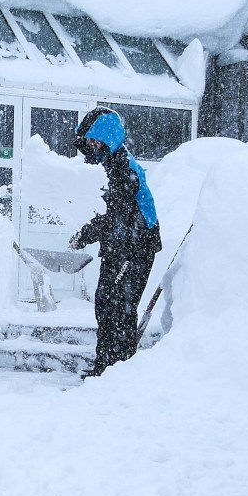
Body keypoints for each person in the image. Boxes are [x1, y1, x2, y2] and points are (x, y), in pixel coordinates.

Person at [68, 107, 162, 377]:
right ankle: (106, 368)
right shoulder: (109, 163)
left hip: (135, 248)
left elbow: (116, 214)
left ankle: (117, 371)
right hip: (119, 246)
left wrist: (84, 234)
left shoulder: (123, 166)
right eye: (87, 142)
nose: (90, 146)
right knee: (106, 304)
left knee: (120, 308)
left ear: (106, 138)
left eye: (93, 141)